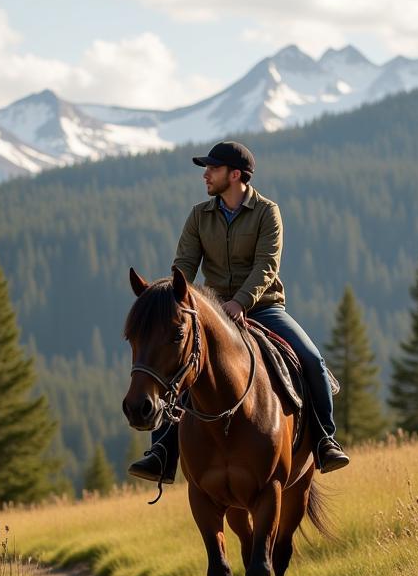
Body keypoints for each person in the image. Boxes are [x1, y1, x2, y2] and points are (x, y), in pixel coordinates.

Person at [128, 140, 350, 484]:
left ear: (235, 175)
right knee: (177, 366)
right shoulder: (199, 216)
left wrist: (240, 302)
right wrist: (169, 302)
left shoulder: (267, 212)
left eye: (212, 169)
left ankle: (324, 441)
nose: (205, 175)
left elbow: (266, 266)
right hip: (214, 314)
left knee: (311, 359)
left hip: (263, 308)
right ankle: (161, 453)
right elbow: (184, 266)